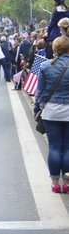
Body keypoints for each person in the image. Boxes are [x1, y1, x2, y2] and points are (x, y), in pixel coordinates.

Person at [34, 36, 69, 193]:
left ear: (55, 49)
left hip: (51, 111)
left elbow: (40, 92)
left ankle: (55, 183)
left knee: (54, 147)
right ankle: (67, 182)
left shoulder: (45, 66)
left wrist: (37, 108)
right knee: (68, 147)